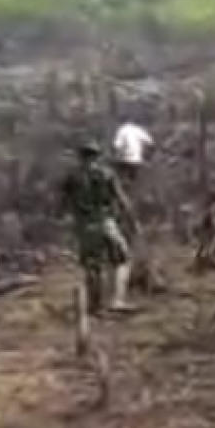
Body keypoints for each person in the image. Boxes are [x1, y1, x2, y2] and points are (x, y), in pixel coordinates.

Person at [60, 142, 137, 314]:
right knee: (122, 259)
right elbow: (121, 199)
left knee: (92, 265)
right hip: (105, 221)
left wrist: (63, 220)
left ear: (80, 156)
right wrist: (131, 219)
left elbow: (62, 204)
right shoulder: (107, 174)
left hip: (84, 225)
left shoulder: (72, 177)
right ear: (97, 156)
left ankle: (96, 306)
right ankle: (117, 300)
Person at [111, 122, 154, 189]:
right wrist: (148, 157)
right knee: (133, 172)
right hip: (136, 159)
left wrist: (116, 154)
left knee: (118, 168)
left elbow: (116, 145)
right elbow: (150, 142)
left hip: (125, 158)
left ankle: (122, 182)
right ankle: (130, 183)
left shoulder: (122, 130)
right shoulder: (138, 129)